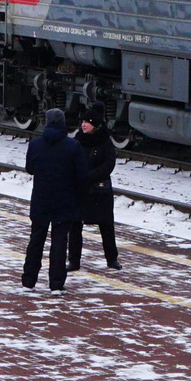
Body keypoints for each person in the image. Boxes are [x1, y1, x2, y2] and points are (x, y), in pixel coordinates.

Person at [21, 107, 86, 291]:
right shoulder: (73, 147)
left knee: (36, 240)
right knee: (59, 242)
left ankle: (29, 280)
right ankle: (56, 284)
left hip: (41, 200)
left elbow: (30, 169)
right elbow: (81, 175)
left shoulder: (35, 144)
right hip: (64, 202)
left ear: (47, 122)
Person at [75, 112, 123, 271]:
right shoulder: (78, 140)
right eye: (82, 121)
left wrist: (90, 175)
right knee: (75, 225)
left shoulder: (105, 142)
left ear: (95, 124)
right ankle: (73, 261)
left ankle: (112, 259)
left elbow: (109, 164)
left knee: (106, 225)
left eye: (87, 122)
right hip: (81, 189)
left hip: (100, 190)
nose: (83, 125)